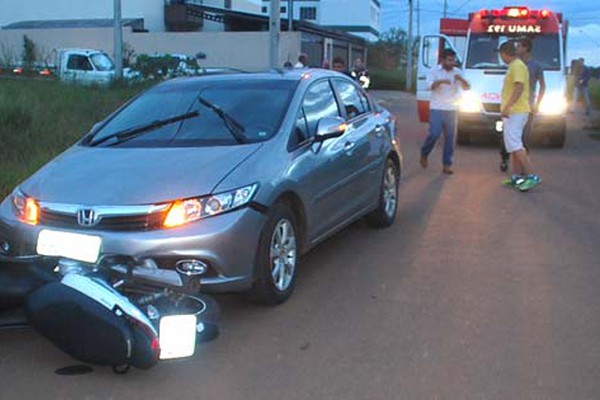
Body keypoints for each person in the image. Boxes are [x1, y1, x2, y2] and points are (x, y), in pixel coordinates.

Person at [498, 40, 541, 191]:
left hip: (515, 111)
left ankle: (531, 176)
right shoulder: (517, 65)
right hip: (517, 111)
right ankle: (517, 177)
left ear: (504, 53)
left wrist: (508, 107)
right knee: (514, 146)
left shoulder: (516, 66)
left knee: (516, 145)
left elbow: (519, 87)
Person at [420, 48, 470, 175]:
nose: (452, 63)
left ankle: (447, 164)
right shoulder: (434, 71)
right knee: (434, 134)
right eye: (449, 60)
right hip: (437, 107)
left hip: (452, 109)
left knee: (450, 137)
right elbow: (428, 86)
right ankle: (424, 153)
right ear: (442, 60)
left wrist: (461, 80)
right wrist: (441, 81)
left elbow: (467, 87)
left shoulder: (458, 72)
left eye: (453, 60)